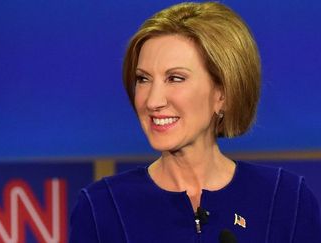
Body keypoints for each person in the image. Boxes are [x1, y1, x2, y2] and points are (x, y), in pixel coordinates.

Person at [69, 2, 321, 242]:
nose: (152, 101)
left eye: (175, 78)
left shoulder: (285, 199)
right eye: (143, 79)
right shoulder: (102, 207)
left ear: (222, 94)